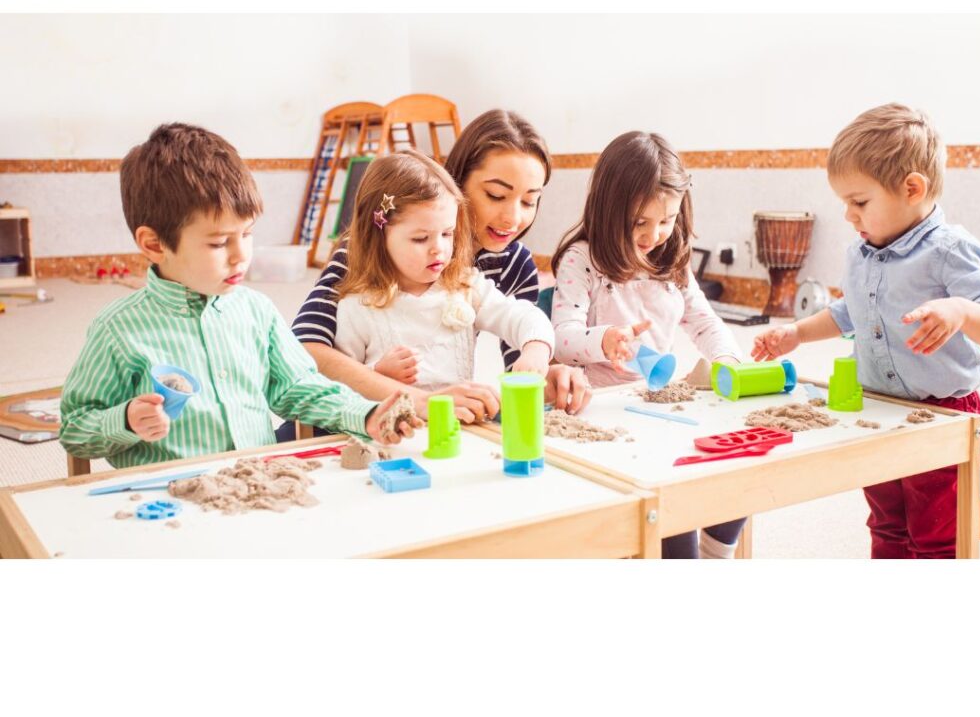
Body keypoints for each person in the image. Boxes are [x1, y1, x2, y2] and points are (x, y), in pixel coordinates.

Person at [60, 123, 416, 469]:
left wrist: (364, 414)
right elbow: (75, 429)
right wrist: (124, 420)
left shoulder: (256, 311)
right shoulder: (118, 329)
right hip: (168, 500)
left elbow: (300, 386)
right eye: (218, 243)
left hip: (254, 482)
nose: (240, 255)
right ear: (154, 244)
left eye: (247, 234)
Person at [752, 103, 980, 558]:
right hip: (880, 413)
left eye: (859, 202)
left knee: (938, 538)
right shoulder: (861, 253)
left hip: (945, 418)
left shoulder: (949, 249)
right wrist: (796, 334)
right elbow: (849, 312)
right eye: (845, 204)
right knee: (888, 526)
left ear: (912, 189)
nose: (848, 216)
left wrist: (959, 310)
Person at [288, 109, 590, 427]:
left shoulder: (495, 273)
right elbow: (307, 355)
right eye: (496, 195)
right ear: (455, 184)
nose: (513, 218)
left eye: (529, 201)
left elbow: (520, 354)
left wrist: (546, 371)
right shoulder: (365, 258)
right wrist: (412, 397)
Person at [551, 130, 747, 559]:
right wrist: (605, 340)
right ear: (609, 207)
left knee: (741, 465)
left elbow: (705, 322)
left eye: (667, 219)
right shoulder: (583, 260)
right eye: (640, 221)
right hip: (605, 413)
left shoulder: (671, 262)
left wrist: (727, 360)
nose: (655, 233)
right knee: (668, 509)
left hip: (658, 403)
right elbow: (561, 339)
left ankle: (717, 550)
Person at [330, 151, 555, 394]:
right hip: (392, 429)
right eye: (420, 238)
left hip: (456, 426)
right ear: (380, 238)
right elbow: (338, 390)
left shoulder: (465, 286)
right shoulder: (358, 306)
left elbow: (521, 316)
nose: (439, 248)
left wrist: (536, 348)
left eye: (447, 234)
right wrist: (376, 373)